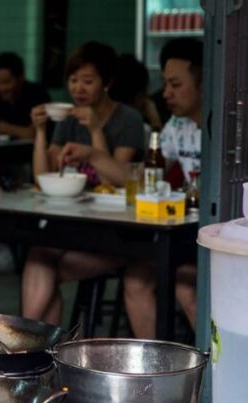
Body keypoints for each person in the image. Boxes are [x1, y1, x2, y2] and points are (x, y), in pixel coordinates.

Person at [21, 42, 146, 326]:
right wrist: (40, 132)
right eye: (73, 80)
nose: (78, 88)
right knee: (39, 254)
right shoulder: (68, 119)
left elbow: (111, 182)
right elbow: (43, 179)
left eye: (88, 81)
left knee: (44, 266)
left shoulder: (128, 119)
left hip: (118, 232)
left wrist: (94, 130)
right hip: (76, 225)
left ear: (107, 82)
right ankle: (32, 349)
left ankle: (24, 349)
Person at [122, 38, 204, 338]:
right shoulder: (175, 126)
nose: (166, 93)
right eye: (165, 83)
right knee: (136, 279)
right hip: (184, 234)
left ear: (205, 83)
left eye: (176, 84)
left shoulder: (228, 124)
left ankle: (215, 378)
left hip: (218, 240)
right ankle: (154, 374)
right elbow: (149, 174)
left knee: (185, 284)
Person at [0, 52, 50, 141]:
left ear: (21, 78)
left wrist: (0, 126)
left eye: (6, 82)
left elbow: (35, 133)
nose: (1, 88)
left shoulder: (37, 94)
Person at [109, 53, 163, 132]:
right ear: (139, 95)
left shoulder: (95, 122)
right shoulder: (141, 129)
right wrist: (155, 122)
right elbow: (161, 143)